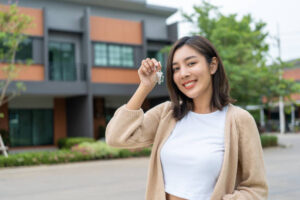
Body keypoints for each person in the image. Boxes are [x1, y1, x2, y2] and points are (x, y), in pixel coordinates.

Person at [105, 36, 268, 200]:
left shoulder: (239, 120)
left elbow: (256, 189)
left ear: (212, 65)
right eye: (176, 68)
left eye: (191, 63)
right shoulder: (168, 113)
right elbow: (116, 137)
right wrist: (145, 86)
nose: (183, 73)